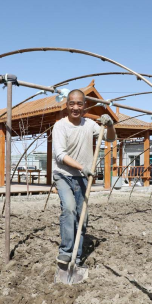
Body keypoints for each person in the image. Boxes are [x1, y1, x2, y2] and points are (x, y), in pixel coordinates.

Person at [52, 89, 116, 267]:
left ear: (84, 106)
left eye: (79, 104)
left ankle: (77, 256)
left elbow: (110, 139)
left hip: (82, 177)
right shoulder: (60, 126)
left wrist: (110, 125)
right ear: (66, 105)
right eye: (72, 103)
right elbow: (60, 155)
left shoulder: (89, 124)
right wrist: (83, 167)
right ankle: (66, 252)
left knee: (82, 217)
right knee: (69, 209)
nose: (75, 107)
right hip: (63, 175)